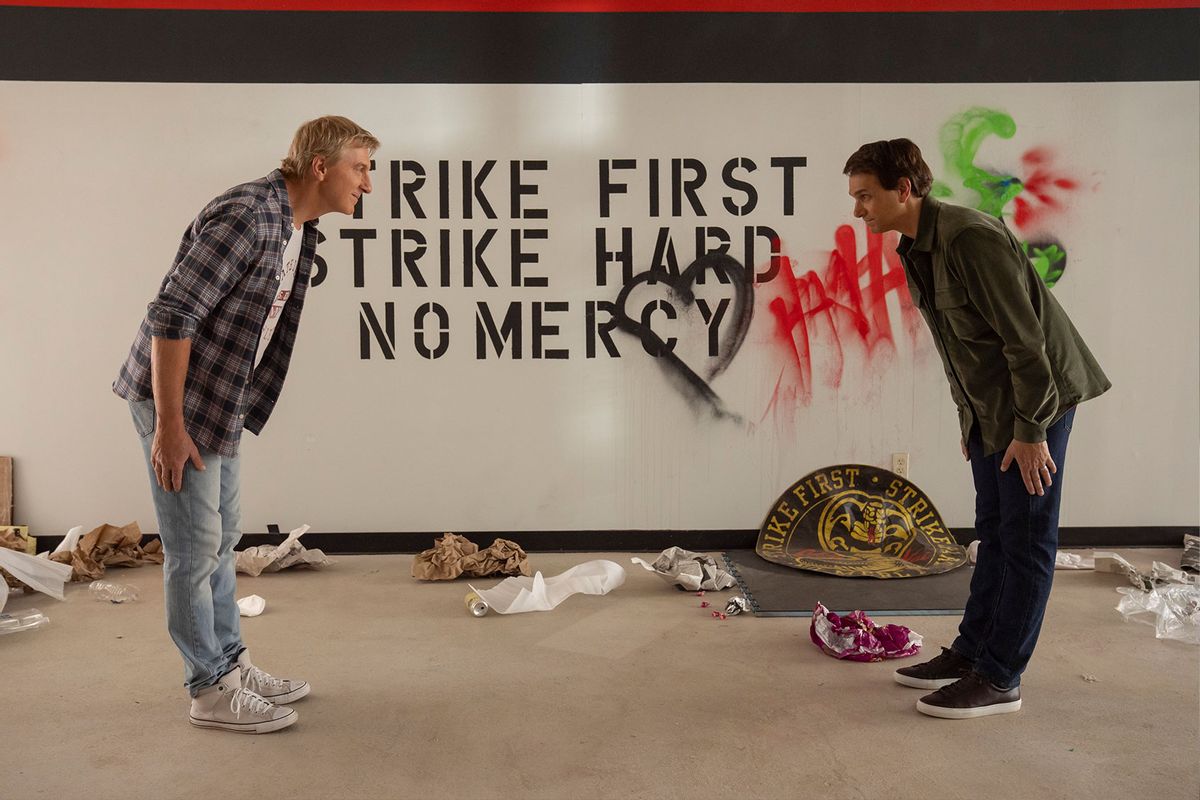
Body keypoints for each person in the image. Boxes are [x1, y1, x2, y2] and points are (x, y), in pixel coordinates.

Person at [114, 116, 378, 733]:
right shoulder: (248, 216)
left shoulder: (298, 228)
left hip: (218, 398)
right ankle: (208, 691)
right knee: (191, 548)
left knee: (224, 535)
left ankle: (231, 664)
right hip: (176, 400)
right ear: (320, 166)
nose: (368, 183)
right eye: (361, 167)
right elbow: (172, 313)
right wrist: (170, 427)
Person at [843, 139, 1110, 719]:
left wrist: (1032, 430)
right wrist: (972, 421)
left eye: (866, 196)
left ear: (903, 189)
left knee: (1027, 538)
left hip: (1038, 404)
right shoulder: (915, 247)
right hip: (994, 410)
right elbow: (958, 347)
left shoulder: (969, 238)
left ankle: (1000, 677)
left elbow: (1025, 342)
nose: (858, 210)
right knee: (993, 529)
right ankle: (971, 653)